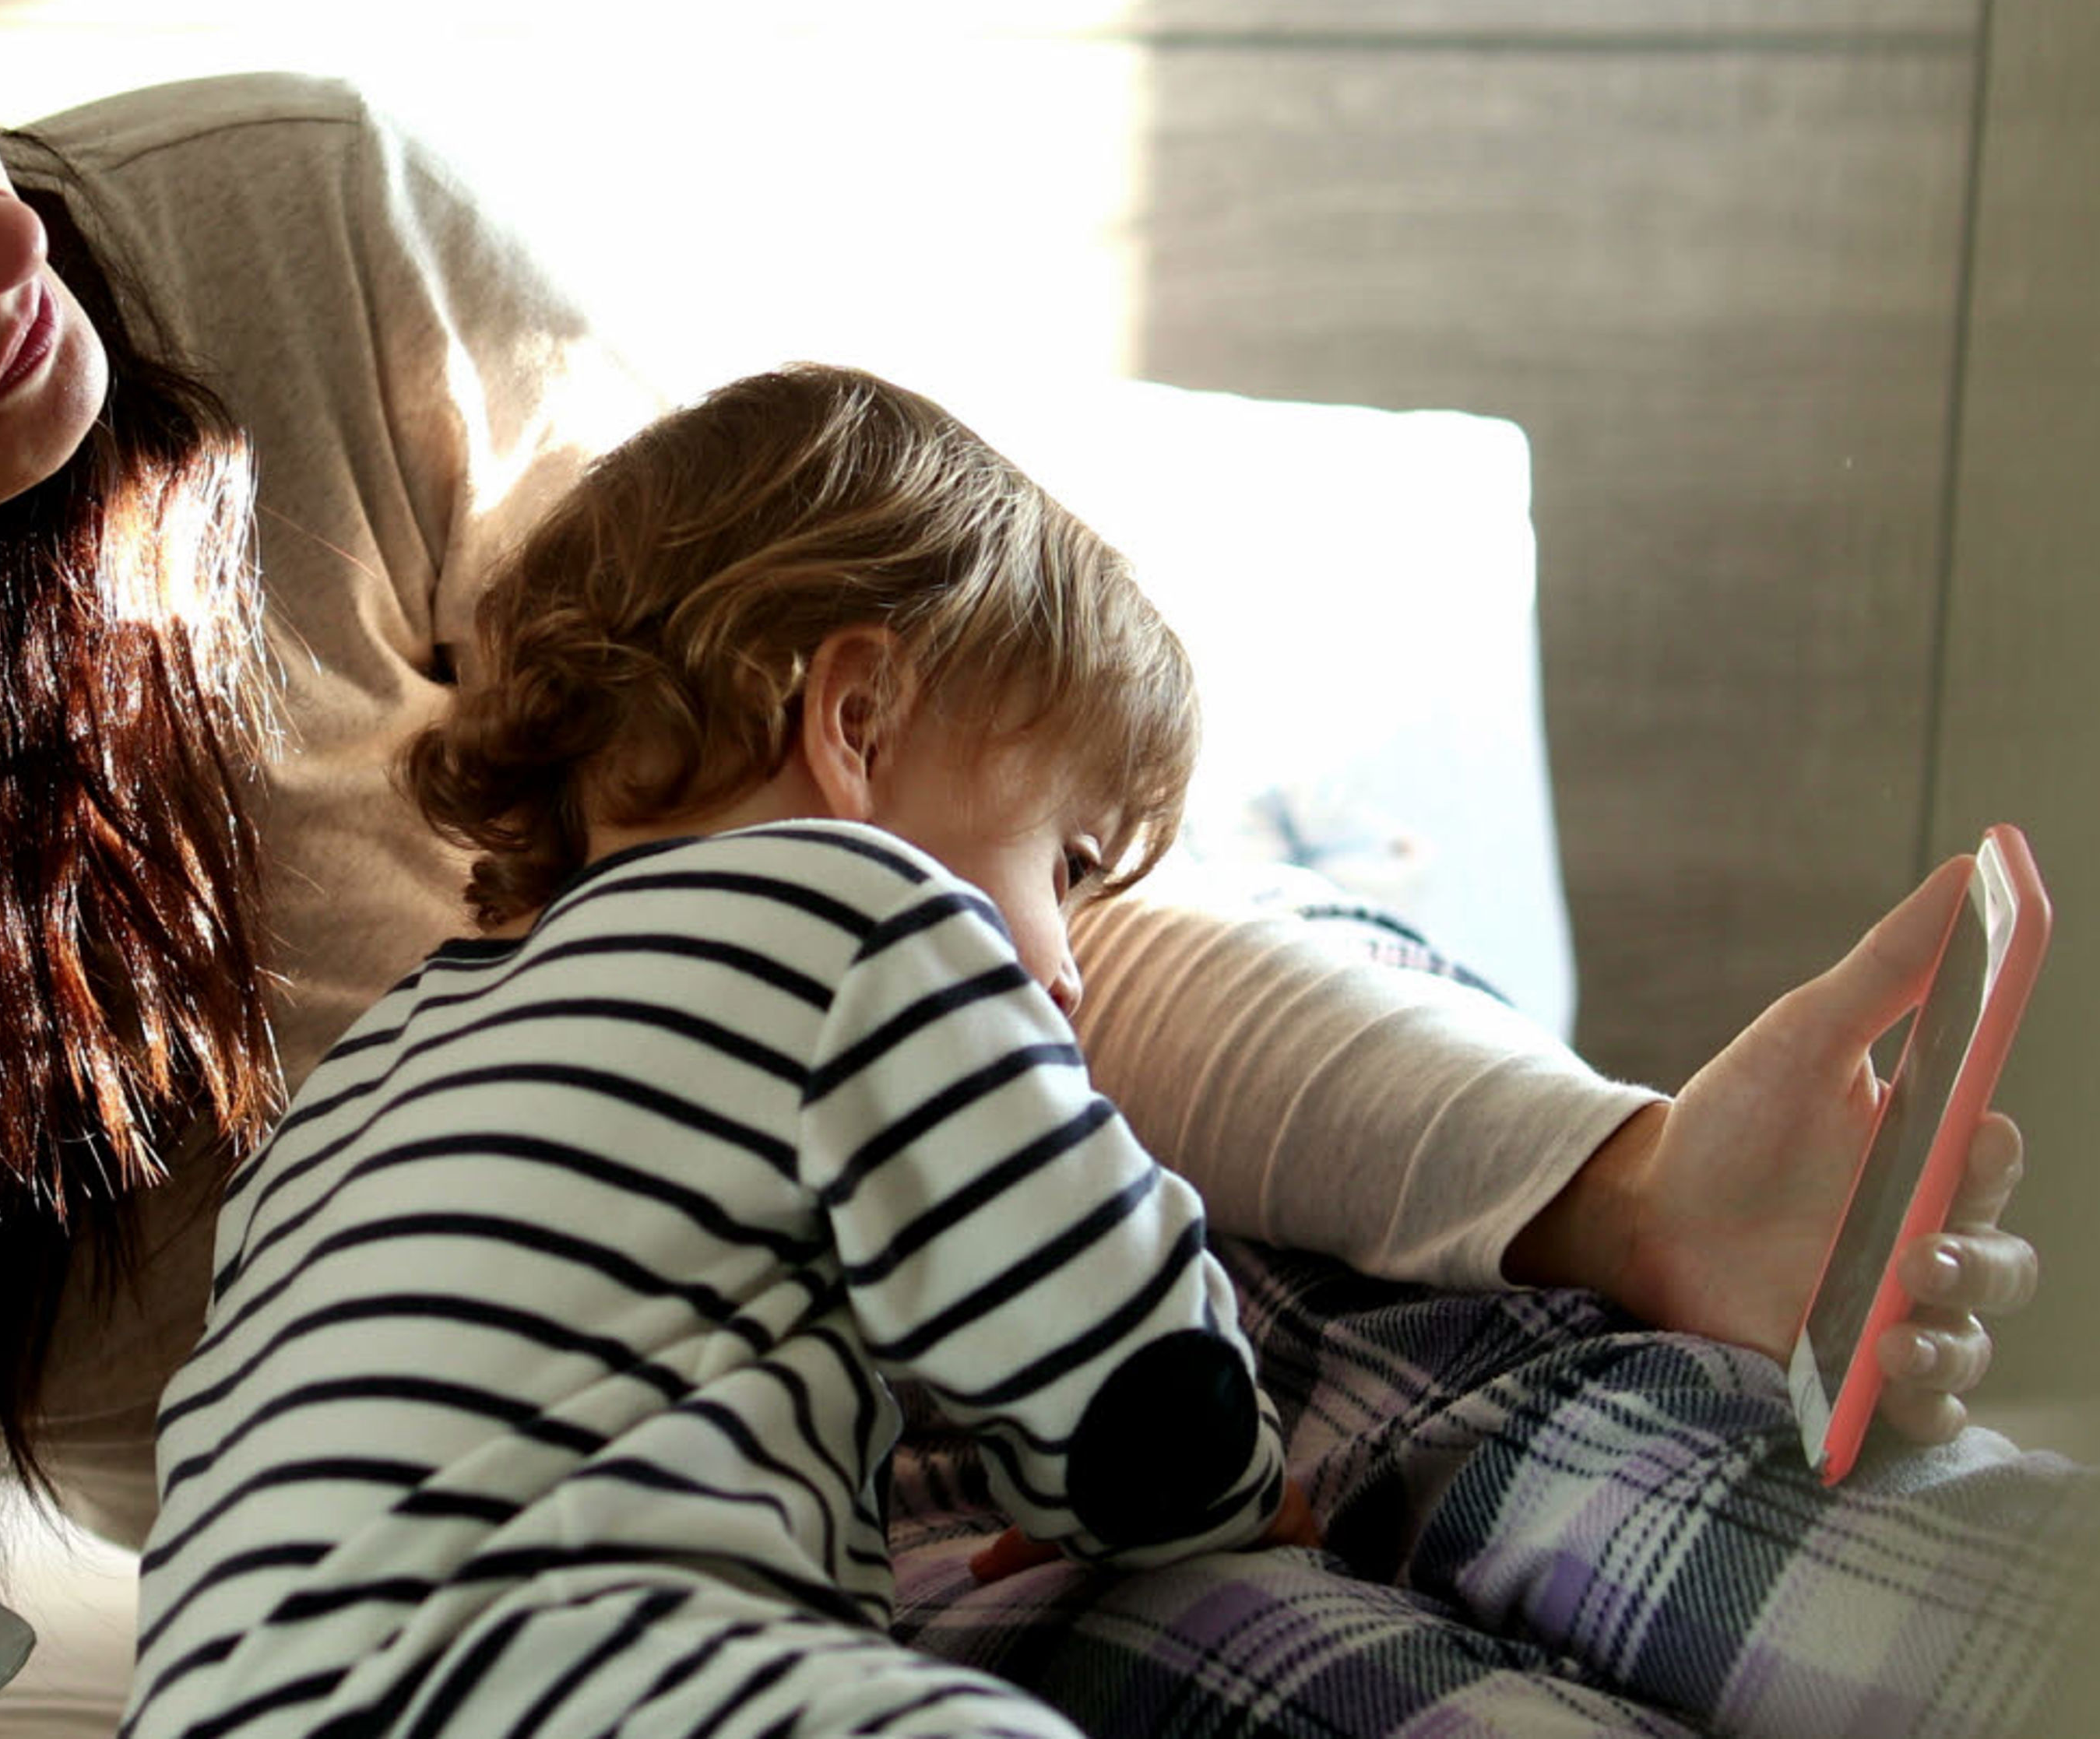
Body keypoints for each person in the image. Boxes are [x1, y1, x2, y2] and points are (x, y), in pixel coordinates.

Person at [0, 0, 2042, 1708]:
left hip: (1084, 1204)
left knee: (1914, 1608)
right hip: (622, 1549)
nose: (3, 241)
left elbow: (902, 885)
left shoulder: (283, 228)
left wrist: (1590, 1175)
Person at [126, 363, 1323, 1738]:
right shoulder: (854, 912)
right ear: (856, 721)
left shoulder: (352, 1088)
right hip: (606, 1683)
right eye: (1069, 862)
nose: (1068, 964)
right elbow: (1122, 1360)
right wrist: (1228, 1489)